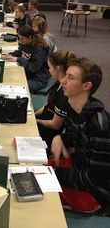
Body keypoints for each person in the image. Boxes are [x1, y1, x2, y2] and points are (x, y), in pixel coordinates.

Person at [51, 58, 110, 213]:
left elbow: (95, 179)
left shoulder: (99, 126)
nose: (63, 81)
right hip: (77, 170)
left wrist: (56, 174)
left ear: (86, 86)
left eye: (70, 78)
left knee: (37, 192)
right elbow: (71, 139)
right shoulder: (74, 108)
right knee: (30, 172)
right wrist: (59, 138)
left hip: (93, 193)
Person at [35, 50, 76, 148]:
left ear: (58, 68)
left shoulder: (64, 95)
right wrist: (33, 114)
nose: (48, 71)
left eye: (49, 68)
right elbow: (49, 105)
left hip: (50, 133)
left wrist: (35, 121)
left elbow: (55, 125)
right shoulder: (58, 82)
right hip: (44, 120)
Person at [4, 25, 50, 93]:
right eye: (19, 38)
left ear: (30, 37)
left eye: (22, 38)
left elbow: (33, 68)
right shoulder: (26, 43)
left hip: (38, 79)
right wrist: (10, 55)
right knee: (8, 78)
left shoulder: (40, 49)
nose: (20, 41)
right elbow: (20, 52)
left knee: (15, 86)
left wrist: (18, 59)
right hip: (28, 73)